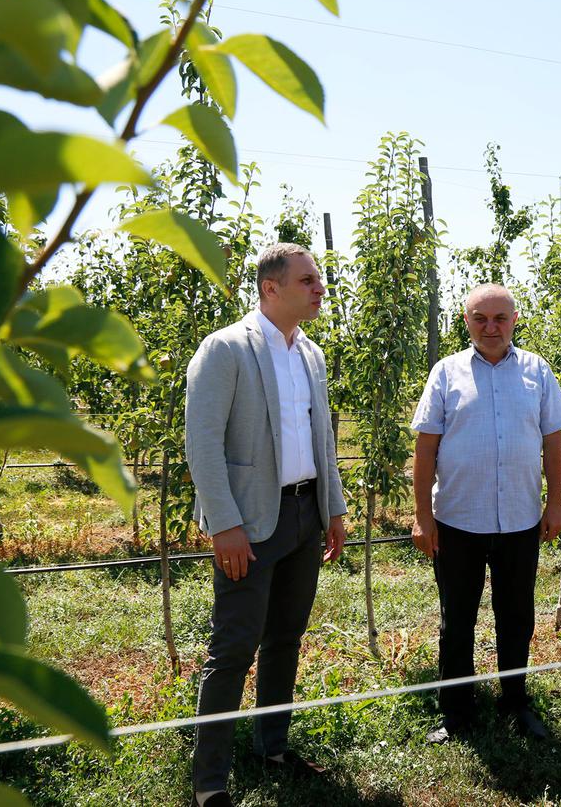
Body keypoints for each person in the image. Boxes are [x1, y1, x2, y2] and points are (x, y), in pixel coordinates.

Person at [185, 243, 348, 807]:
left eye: (318, 280)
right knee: (232, 648)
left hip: (305, 514)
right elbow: (202, 442)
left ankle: (273, 748)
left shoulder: (311, 354)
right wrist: (224, 524)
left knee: (286, 638)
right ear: (270, 288)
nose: (319, 288)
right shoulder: (226, 349)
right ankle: (211, 783)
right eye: (308, 280)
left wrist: (335, 507)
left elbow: (322, 438)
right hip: (250, 521)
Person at [410, 283, 561, 744]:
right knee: (456, 620)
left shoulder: (536, 372)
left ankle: (515, 701)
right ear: (466, 322)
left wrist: (556, 503)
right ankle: (456, 712)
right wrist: (423, 516)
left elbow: (553, 442)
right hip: (458, 521)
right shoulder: (446, 373)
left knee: (517, 615)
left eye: (500, 318)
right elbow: (425, 450)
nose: (491, 327)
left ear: (515, 320)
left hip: (521, 520)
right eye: (480, 318)